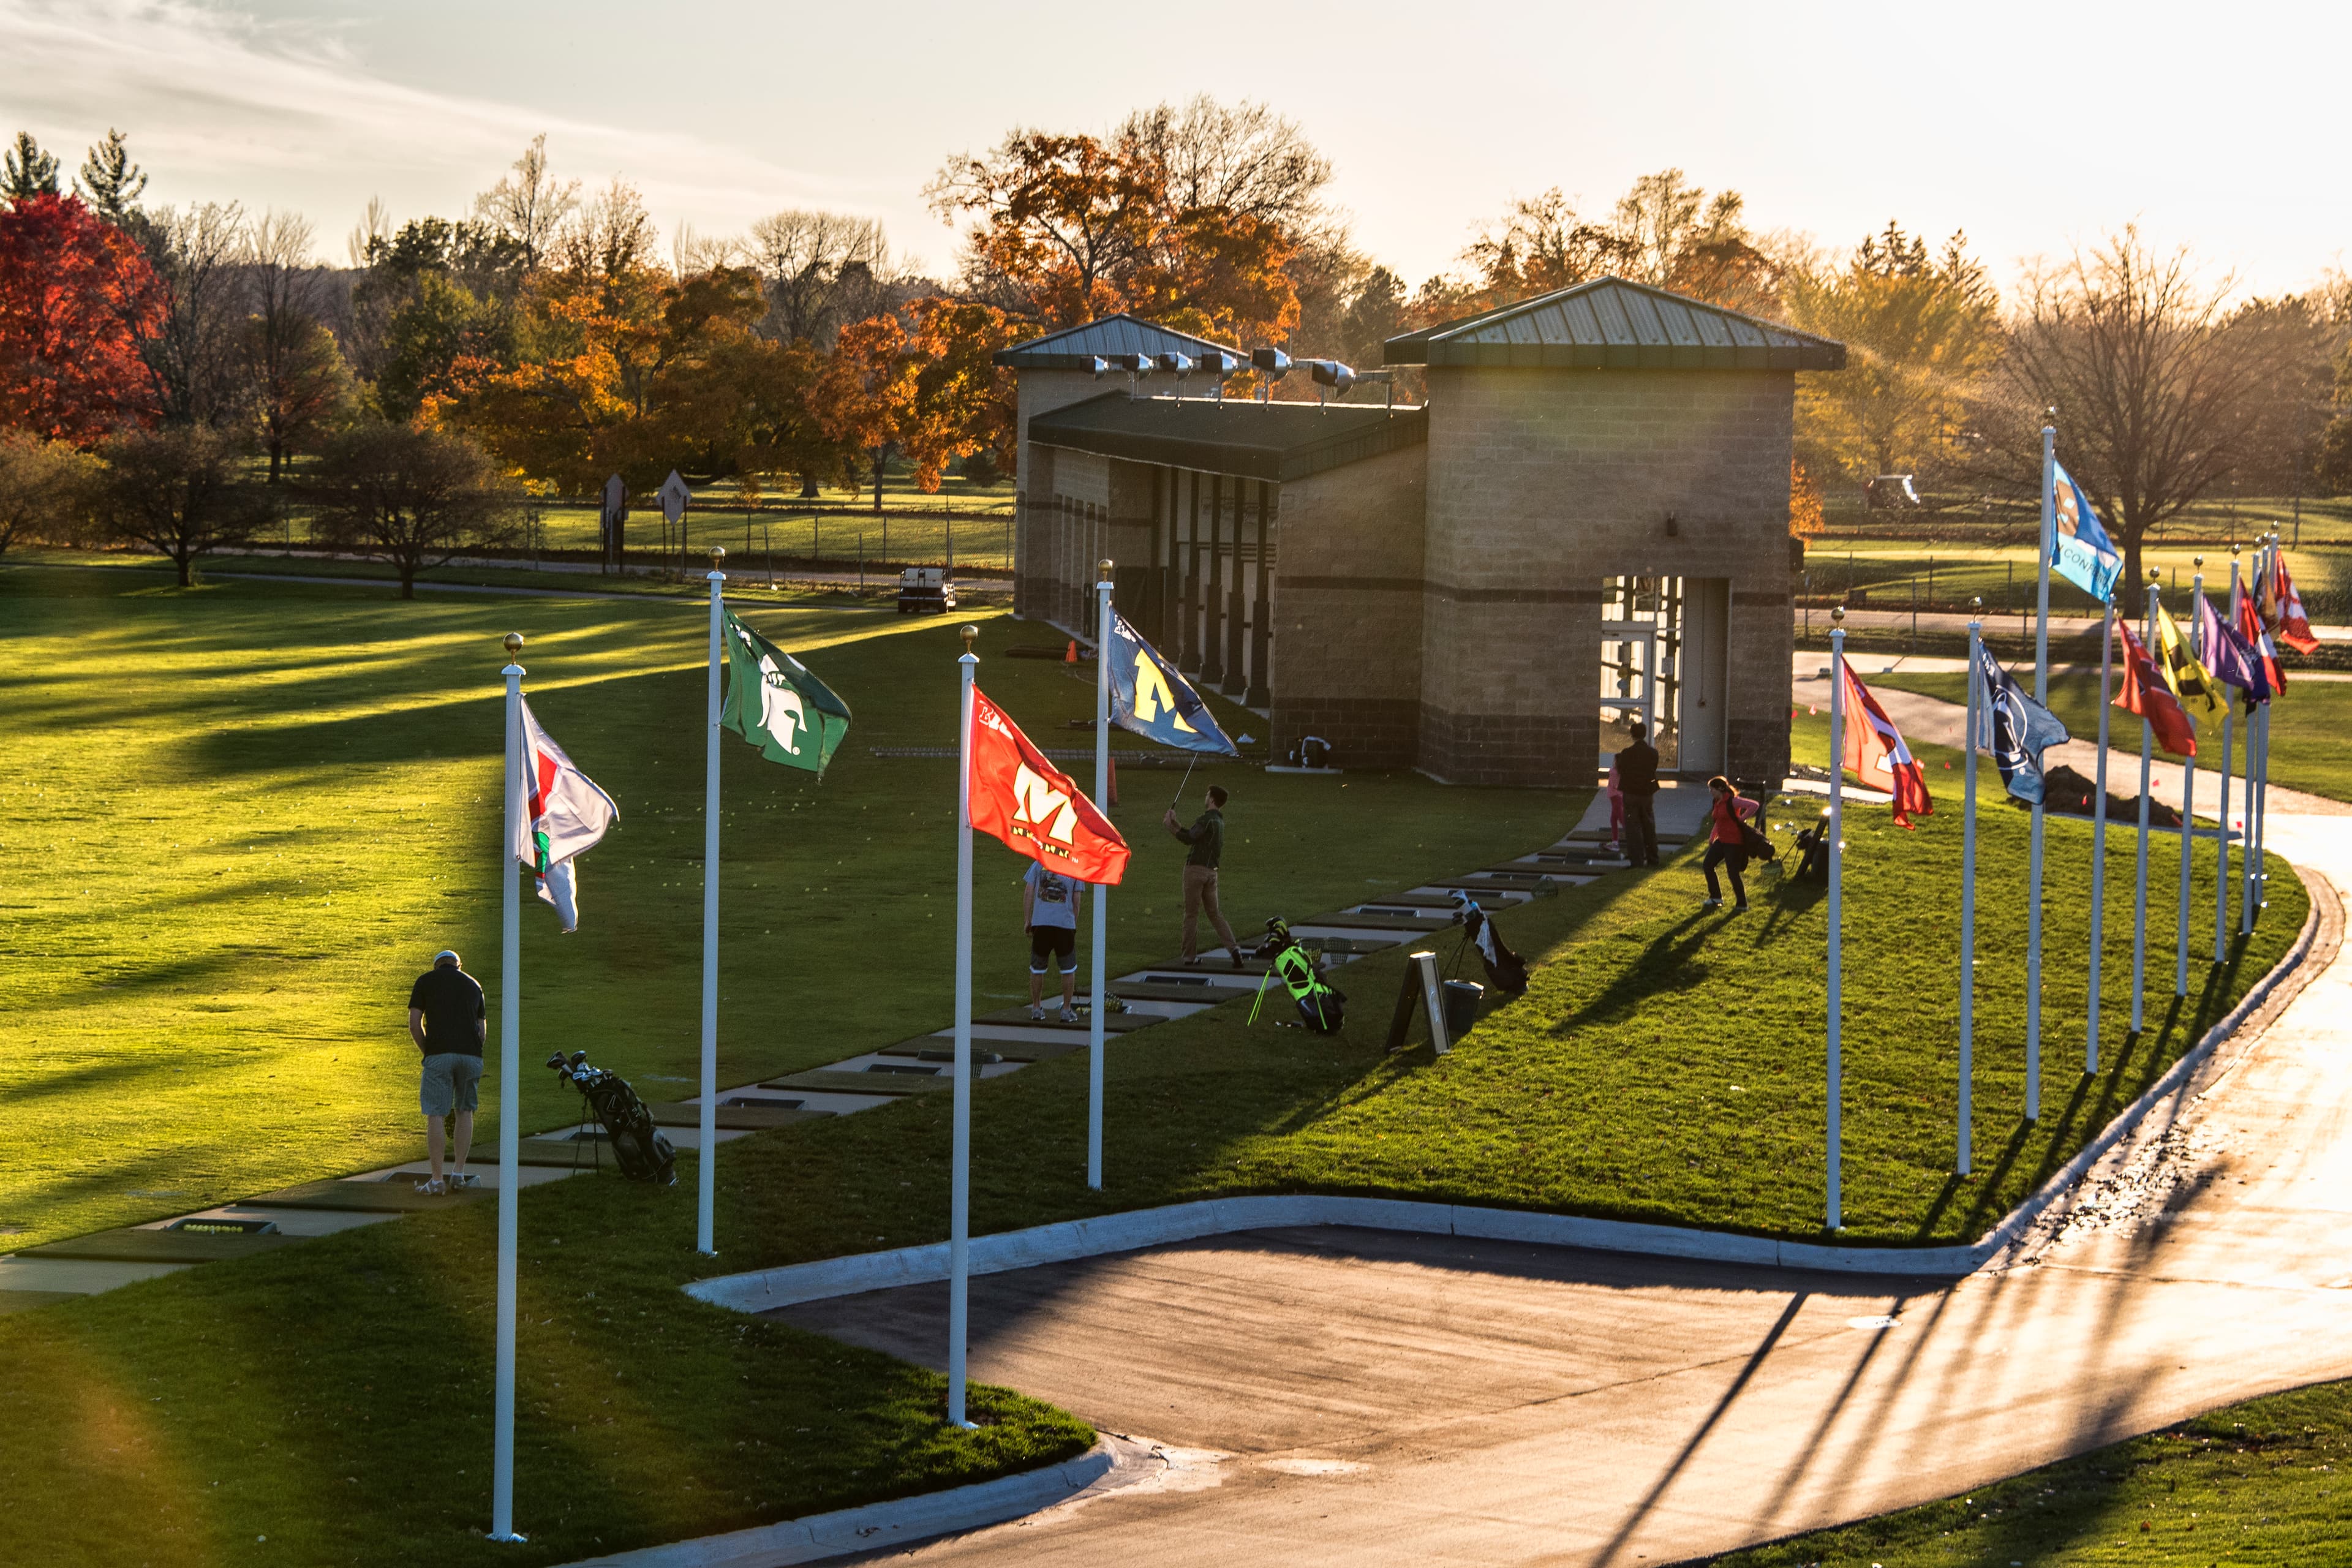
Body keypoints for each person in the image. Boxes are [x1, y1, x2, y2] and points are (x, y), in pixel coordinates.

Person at [407, 949, 485, 1194]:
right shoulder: (474, 985)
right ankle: (459, 1174)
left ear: (436, 966)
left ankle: (437, 1180)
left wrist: (428, 1051)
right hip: (471, 1055)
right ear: (459, 965)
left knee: (436, 1114)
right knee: (465, 1111)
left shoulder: (425, 981)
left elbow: (415, 1024)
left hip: (439, 1054)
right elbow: (482, 1031)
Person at [1164, 783, 1245, 969]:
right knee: (1215, 914)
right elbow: (1193, 835)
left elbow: (1189, 839)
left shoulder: (1206, 819)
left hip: (1195, 871)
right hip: (1212, 874)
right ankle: (1234, 950)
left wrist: (1170, 827)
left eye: (1208, 795)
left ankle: (1189, 957)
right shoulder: (1219, 822)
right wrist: (1176, 823)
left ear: (1212, 800)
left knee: (1191, 914)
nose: (1206, 797)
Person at [1023, 858, 1085, 1022]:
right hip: (1064, 925)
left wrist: (1028, 920)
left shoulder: (1039, 862)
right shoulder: (1075, 865)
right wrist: (1073, 923)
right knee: (1068, 969)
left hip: (1041, 923)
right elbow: (1076, 902)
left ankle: (1036, 1008)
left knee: (1037, 968)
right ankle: (1066, 1010)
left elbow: (1029, 891)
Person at [1700, 775, 1761, 913]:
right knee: (1708, 865)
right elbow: (1719, 821)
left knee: (1733, 873)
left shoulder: (1732, 801)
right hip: (1721, 841)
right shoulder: (1717, 802)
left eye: (1712, 789)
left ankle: (1742, 904)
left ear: (1720, 789)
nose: (1710, 792)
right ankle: (1716, 898)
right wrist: (1712, 837)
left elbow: (1754, 805)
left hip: (1734, 842)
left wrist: (1742, 818)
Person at [1616, 723, 1660, 867]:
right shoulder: (1653, 753)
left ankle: (1637, 861)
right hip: (1647, 793)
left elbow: (1621, 769)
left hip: (1630, 793)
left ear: (1632, 735)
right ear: (1645, 734)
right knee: (1649, 826)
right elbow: (1653, 769)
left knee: (1633, 829)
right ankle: (1653, 858)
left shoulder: (1626, 753)